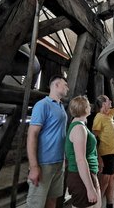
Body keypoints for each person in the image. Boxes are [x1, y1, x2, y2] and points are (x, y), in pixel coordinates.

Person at [26, 75, 69, 208]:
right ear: (56, 85)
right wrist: (34, 167)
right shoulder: (42, 105)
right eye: (65, 85)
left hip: (58, 162)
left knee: (52, 201)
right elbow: (32, 135)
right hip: (44, 163)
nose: (67, 88)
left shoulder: (61, 106)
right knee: (36, 204)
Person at [65, 95, 101, 208]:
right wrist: (90, 188)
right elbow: (80, 160)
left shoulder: (79, 126)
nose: (90, 107)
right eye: (88, 105)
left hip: (86, 175)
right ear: (85, 109)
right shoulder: (79, 129)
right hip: (81, 178)